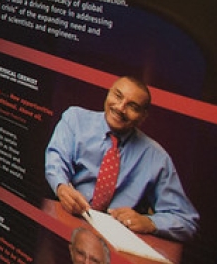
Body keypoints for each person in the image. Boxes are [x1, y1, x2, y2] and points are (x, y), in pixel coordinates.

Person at [44, 76, 199, 241]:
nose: (120, 108)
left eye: (132, 106)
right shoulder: (75, 119)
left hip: (115, 241)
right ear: (108, 93)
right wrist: (61, 187)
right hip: (66, 222)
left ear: (143, 116)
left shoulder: (156, 158)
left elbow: (186, 220)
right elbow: (56, 160)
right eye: (117, 96)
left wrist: (149, 222)